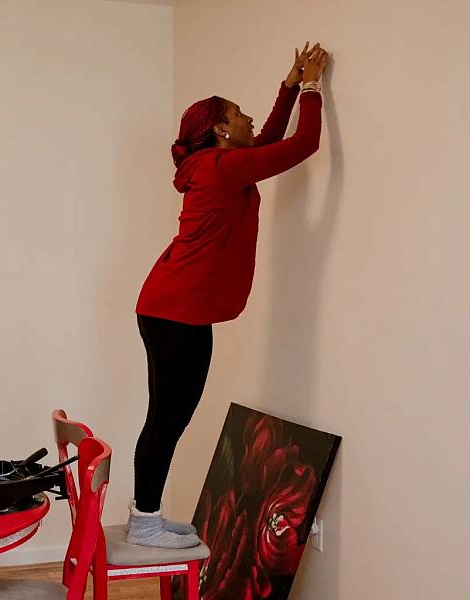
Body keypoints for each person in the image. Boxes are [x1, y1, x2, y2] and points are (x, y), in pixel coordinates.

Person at [127, 44, 331, 549]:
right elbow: (303, 144)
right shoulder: (220, 169)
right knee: (167, 418)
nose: (250, 119)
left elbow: (265, 140)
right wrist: (311, 88)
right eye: (239, 115)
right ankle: (145, 521)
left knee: (168, 415)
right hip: (176, 311)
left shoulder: (218, 164)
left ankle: (146, 514)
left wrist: (287, 85)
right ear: (220, 129)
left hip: (174, 309)